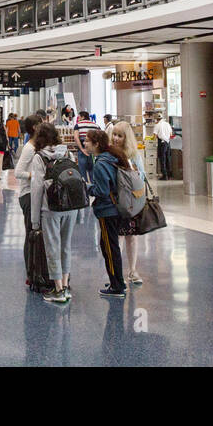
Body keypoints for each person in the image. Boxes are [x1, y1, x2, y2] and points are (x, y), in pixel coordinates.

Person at [29, 122, 85, 305]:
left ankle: (58, 289)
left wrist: (35, 220)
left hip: (50, 208)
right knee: (66, 246)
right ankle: (67, 286)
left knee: (52, 247)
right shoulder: (67, 153)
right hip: (70, 208)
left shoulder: (39, 158)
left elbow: (36, 188)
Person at [85, 128, 131, 296]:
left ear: (96, 144)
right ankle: (116, 280)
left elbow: (102, 191)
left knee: (109, 248)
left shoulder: (101, 163)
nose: (85, 143)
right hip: (117, 207)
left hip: (107, 210)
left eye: (87, 141)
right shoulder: (112, 157)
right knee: (110, 246)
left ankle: (117, 285)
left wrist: (88, 188)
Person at [111, 121, 147, 287]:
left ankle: (132, 270)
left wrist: (137, 174)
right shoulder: (109, 154)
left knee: (131, 237)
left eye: (120, 135)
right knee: (117, 237)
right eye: (114, 135)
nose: (116, 138)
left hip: (132, 202)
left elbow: (142, 176)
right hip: (116, 202)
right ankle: (117, 273)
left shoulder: (134, 155)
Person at [153, 112, 173, 180]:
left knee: (162, 159)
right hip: (168, 143)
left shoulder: (157, 125)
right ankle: (169, 175)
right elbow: (171, 134)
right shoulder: (167, 124)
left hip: (162, 143)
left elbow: (154, 136)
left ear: (156, 119)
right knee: (168, 158)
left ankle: (164, 175)